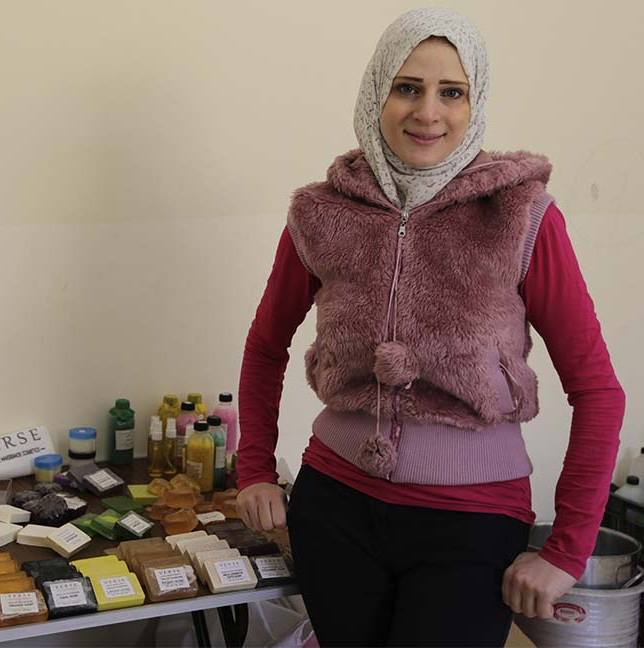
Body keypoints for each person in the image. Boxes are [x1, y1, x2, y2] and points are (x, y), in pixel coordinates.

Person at [234, 7, 625, 646]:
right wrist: (254, 467)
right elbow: (265, 345)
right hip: (334, 508)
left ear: (476, 103)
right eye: (408, 87)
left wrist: (566, 550)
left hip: (472, 522)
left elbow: (598, 391)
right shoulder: (321, 211)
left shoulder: (521, 215)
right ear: (377, 90)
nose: (428, 112)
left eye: (453, 92)